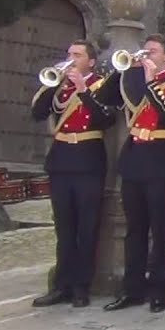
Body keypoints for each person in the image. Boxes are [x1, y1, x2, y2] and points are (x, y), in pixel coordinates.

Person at [96, 34, 165, 313]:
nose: (147, 55)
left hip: (161, 156)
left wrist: (150, 81)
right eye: (145, 51)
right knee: (134, 229)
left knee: (159, 228)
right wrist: (122, 68)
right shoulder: (133, 77)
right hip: (135, 156)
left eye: (153, 51)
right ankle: (132, 288)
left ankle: (159, 288)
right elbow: (104, 96)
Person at [30, 39, 116, 308]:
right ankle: (61, 285)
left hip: (88, 160)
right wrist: (53, 84)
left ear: (90, 61)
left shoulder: (102, 85)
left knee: (86, 228)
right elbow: (38, 113)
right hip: (62, 160)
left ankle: (81, 286)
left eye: (77, 55)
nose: (71, 58)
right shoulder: (59, 88)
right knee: (63, 228)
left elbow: (106, 120)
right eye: (69, 54)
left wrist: (83, 90)